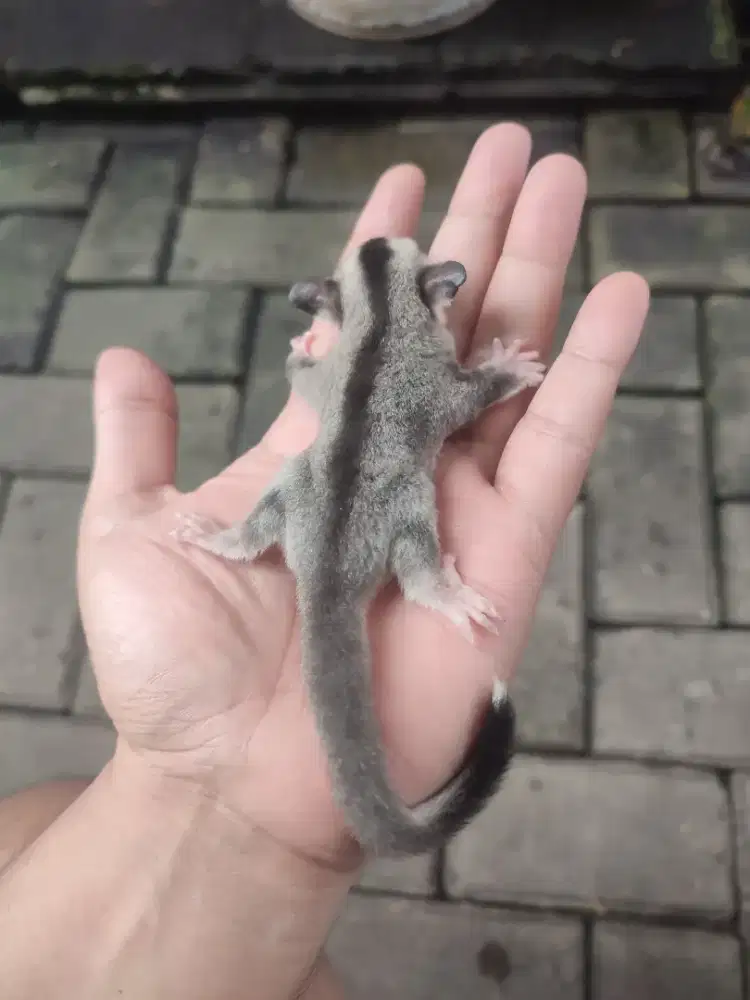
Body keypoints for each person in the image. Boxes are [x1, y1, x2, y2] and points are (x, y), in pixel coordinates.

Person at [0, 122, 648, 999]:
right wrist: (500, 371)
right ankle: (427, 583)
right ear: (438, 294)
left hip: (302, 522)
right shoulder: (424, 354)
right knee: (403, 493)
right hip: (371, 513)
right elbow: (459, 401)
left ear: (328, 311)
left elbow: (325, 387)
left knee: (38, 818)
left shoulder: (334, 360)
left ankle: (241, 541)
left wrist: (310, 358)